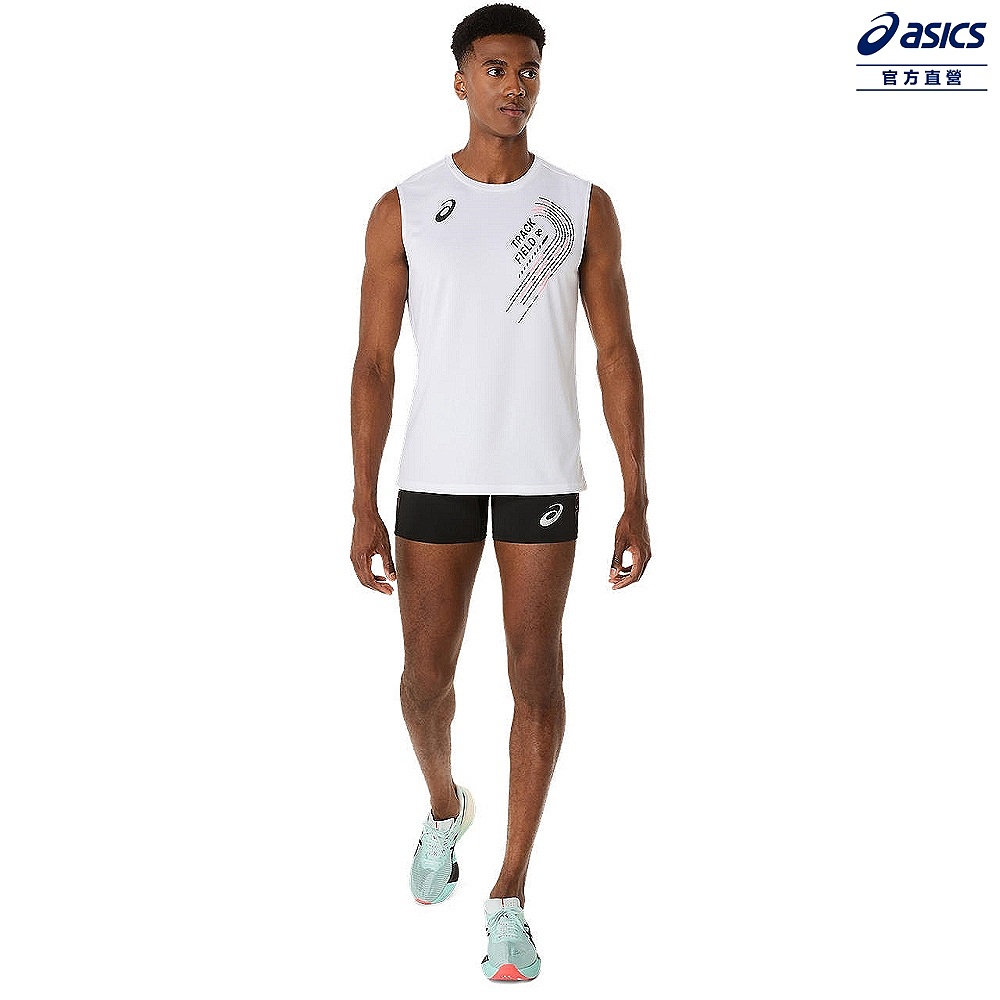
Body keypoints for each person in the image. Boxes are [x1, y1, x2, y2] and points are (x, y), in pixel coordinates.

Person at [350, 3, 650, 981]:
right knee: (423, 681)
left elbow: (615, 352)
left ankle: (510, 890)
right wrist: (361, 499)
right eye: (494, 69)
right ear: (460, 80)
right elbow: (373, 363)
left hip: (540, 476)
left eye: (527, 70)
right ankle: (446, 805)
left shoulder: (581, 204)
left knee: (537, 677)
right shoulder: (404, 205)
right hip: (434, 473)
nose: (514, 86)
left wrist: (637, 492)